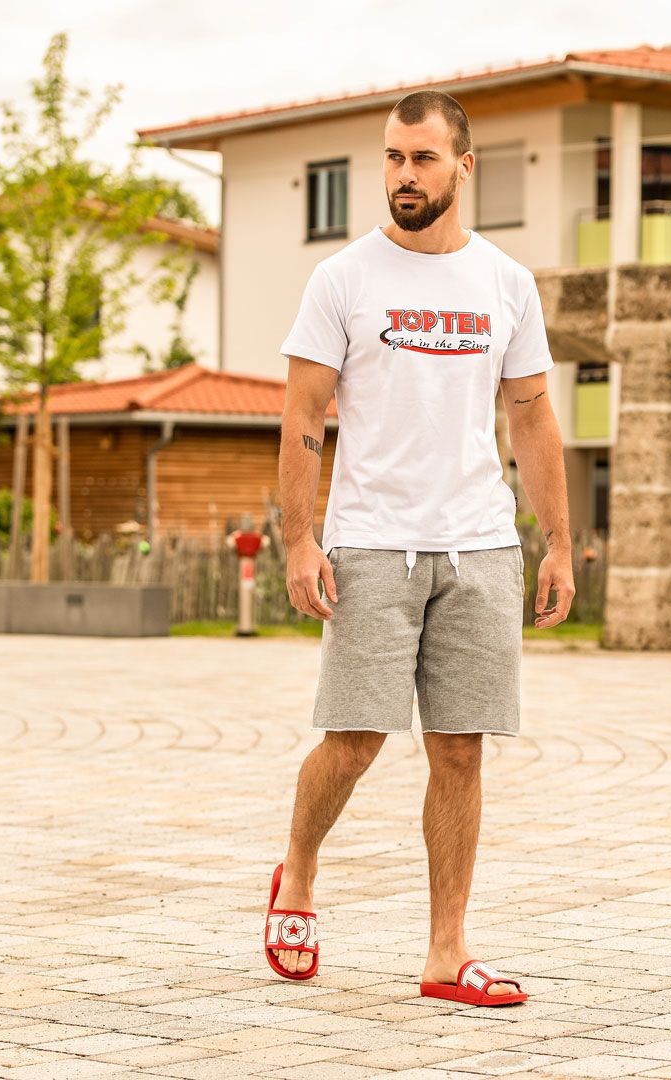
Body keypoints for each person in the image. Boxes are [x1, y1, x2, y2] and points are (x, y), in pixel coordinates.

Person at [267, 88, 574, 1006]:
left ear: (463, 167)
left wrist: (558, 541)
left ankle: (446, 952)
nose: (405, 175)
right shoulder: (344, 279)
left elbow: (532, 416)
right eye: (394, 158)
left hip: (479, 546)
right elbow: (303, 414)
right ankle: (297, 873)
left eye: (424, 158)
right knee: (355, 741)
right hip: (371, 544)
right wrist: (299, 538)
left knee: (461, 752)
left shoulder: (506, 283)